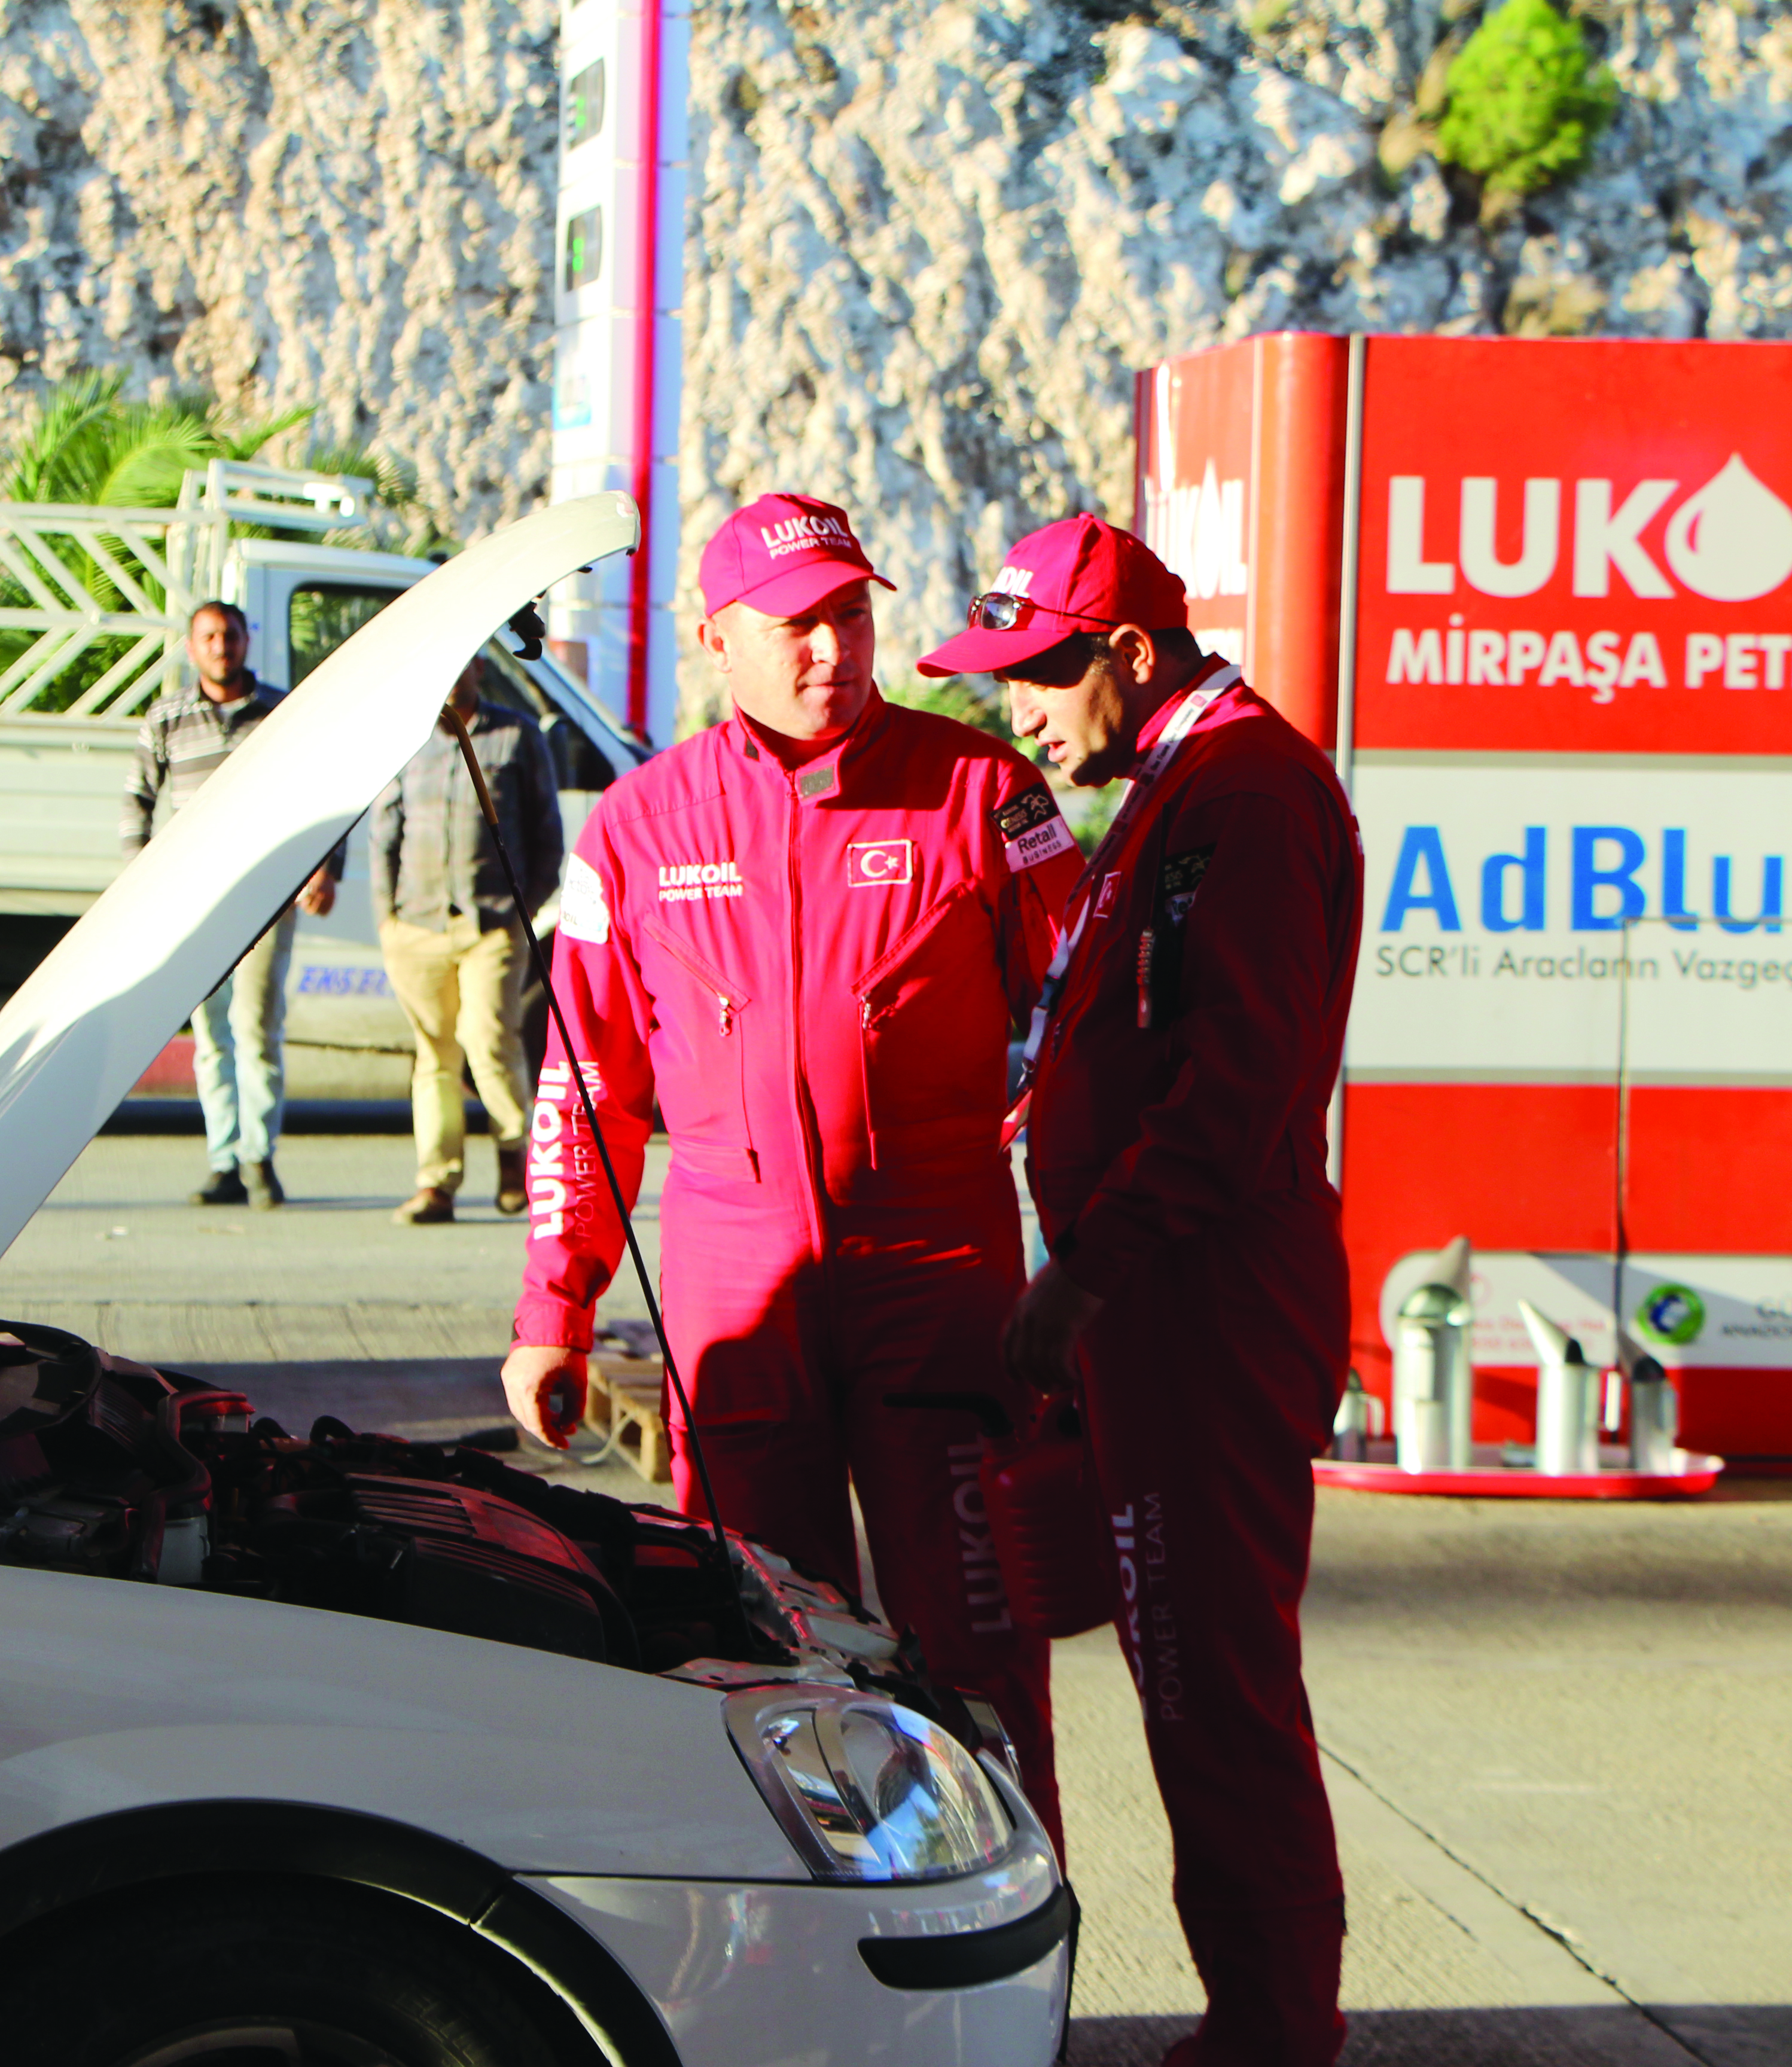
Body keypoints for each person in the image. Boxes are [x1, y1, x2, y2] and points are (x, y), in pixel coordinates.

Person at [499, 492, 1087, 1836]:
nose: (833, 650)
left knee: (980, 1654)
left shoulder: (987, 791)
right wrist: (558, 1306)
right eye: (796, 626)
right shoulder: (638, 827)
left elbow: (1083, 1025)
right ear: (715, 638)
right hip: (735, 1287)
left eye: (853, 615)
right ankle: (796, 1964)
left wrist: (1087, 1260)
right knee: (758, 1654)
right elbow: (585, 1088)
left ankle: (1012, 1943)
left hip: (940, 1276)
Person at [937, 514, 1360, 2067]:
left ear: (1129, 652)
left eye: (1039, 677)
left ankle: (1271, 2034)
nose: (1017, 715)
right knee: (1188, 1678)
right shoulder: (1186, 787)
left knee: (1214, 1685)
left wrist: (1087, 1274)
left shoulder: (1242, 795)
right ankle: (1257, 2020)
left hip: (1201, 1305)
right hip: (1166, 1306)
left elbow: (1232, 1094)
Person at [123, 600, 338, 1209]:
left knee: (257, 1028)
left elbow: (328, 792)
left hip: (266, 897)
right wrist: (141, 882)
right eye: (210, 637)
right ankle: (222, 1159)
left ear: (248, 641)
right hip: (194, 904)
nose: (222, 646)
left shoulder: (281, 712)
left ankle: (258, 1157)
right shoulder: (166, 718)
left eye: (232, 635)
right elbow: (136, 801)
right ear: (192, 648)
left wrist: (325, 866)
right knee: (211, 1034)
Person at [368, 656, 565, 1225]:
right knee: (434, 1055)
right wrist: (387, 918)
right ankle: (437, 1183)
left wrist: (525, 907)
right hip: (417, 925)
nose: (452, 674)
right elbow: (385, 834)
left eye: (463, 662)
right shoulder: (404, 739)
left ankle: (512, 1154)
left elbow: (547, 833)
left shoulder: (517, 736)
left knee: (488, 1039)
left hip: (492, 924)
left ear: (480, 667)